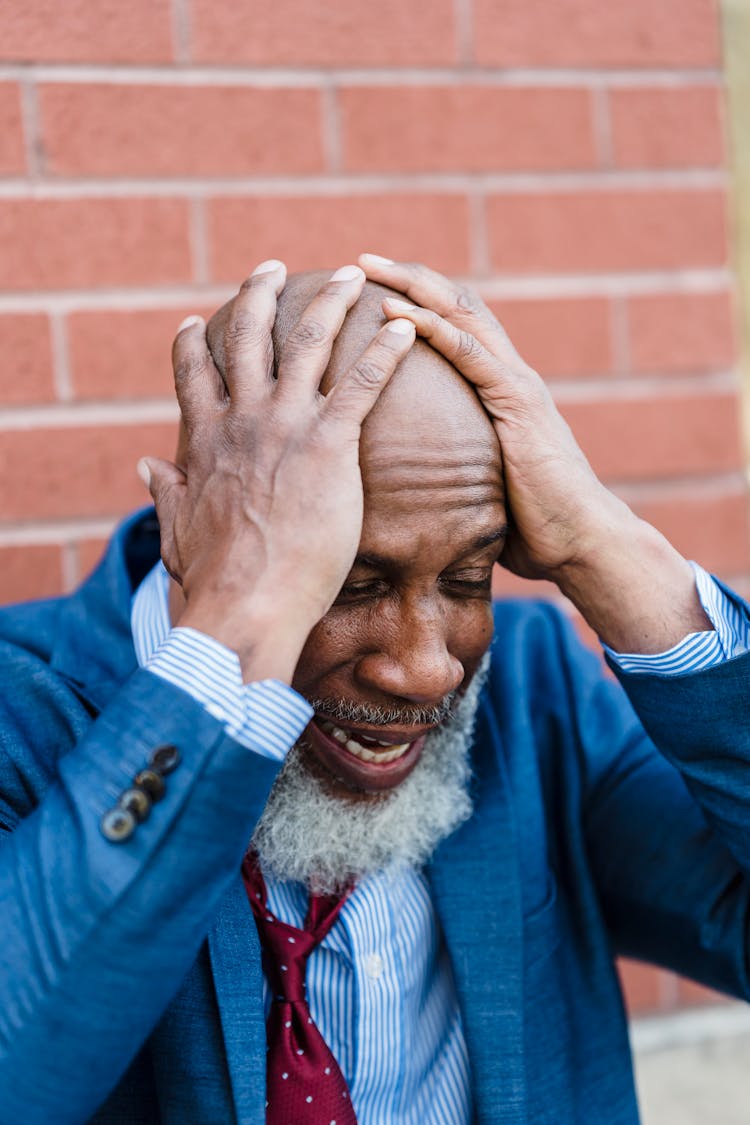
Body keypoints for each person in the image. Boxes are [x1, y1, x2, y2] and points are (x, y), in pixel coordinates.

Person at [0, 255, 748, 1125]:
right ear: (195, 528)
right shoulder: (25, 716)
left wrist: (612, 552)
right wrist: (244, 620)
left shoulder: (536, 693)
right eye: (347, 584)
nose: (427, 669)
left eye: (469, 578)